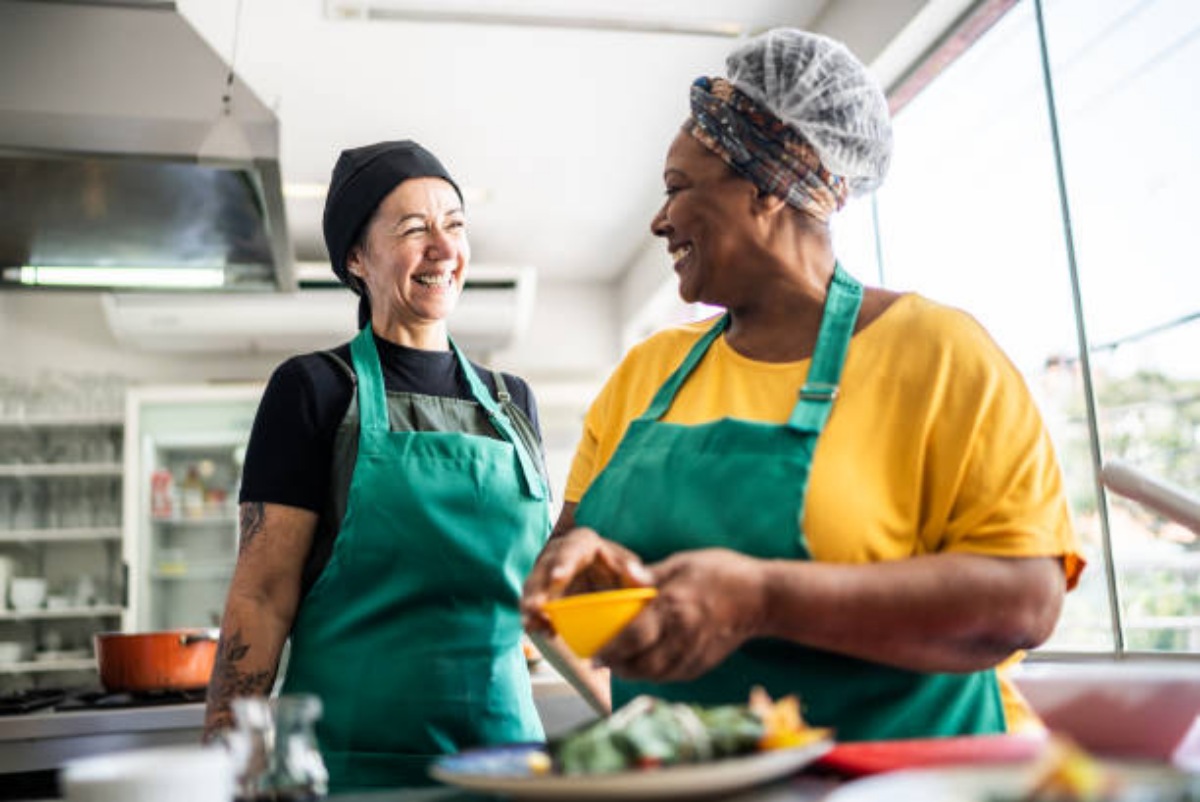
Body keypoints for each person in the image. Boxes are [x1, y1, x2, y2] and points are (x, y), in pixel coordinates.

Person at [522, 29, 1085, 740]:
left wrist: (762, 597)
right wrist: (570, 569)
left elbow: (1025, 602)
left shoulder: (938, 353)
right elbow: (571, 568)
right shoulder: (646, 372)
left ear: (764, 188)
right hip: (692, 783)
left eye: (678, 188)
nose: (660, 221)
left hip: (910, 783)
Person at [203, 140, 551, 789]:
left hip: (511, 765)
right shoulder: (315, 389)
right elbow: (262, 595)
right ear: (356, 259)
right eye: (415, 229)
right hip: (358, 768)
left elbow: (545, 599)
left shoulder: (514, 401)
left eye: (453, 224)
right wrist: (226, 767)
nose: (444, 249)